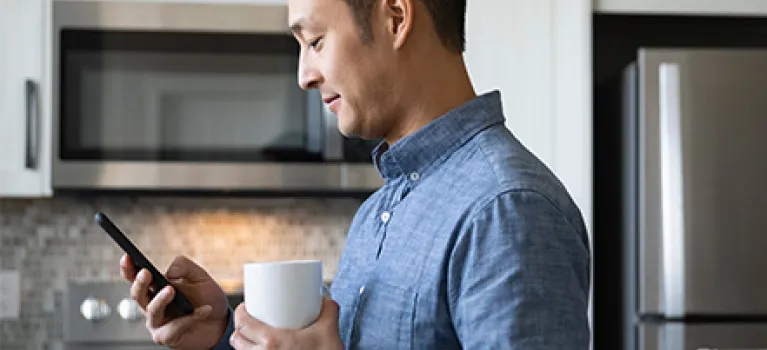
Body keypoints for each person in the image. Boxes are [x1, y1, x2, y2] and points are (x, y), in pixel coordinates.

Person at [119, 0, 592, 348]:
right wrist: (221, 333)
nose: (304, 75)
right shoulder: (377, 213)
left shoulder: (506, 210)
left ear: (395, 17)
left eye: (316, 41)